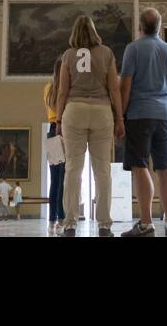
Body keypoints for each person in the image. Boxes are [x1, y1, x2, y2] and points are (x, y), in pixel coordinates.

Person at [54, 14, 125, 237]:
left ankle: (70, 224)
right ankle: (104, 224)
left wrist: (58, 119)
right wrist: (120, 118)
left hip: (74, 110)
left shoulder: (67, 55)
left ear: (74, 33)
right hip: (102, 110)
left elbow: (62, 91)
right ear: (94, 31)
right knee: (102, 170)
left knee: (73, 169)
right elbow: (114, 89)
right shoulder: (106, 53)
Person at [119, 7, 167, 237]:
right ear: (159, 26)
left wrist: (121, 115)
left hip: (139, 115)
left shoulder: (133, 49)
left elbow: (125, 85)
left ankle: (145, 223)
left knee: (140, 165)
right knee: (166, 167)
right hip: (164, 115)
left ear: (140, 27)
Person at [44, 56, 67, 232]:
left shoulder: (47, 89)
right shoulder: (66, 89)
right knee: (63, 180)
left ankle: (51, 221)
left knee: (54, 180)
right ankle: (62, 219)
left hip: (51, 132)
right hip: (65, 130)